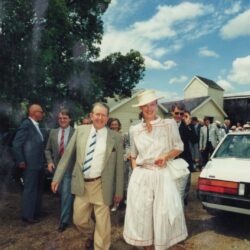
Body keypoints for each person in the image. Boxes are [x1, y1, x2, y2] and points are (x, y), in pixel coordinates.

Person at [51, 102, 124, 250]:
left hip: (102, 185)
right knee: (79, 220)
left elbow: (119, 167)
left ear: (107, 117)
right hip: (82, 184)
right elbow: (67, 156)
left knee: (103, 223)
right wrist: (57, 177)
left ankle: (100, 244)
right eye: (97, 114)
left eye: (103, 115)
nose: (100, 117)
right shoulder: (81, 131)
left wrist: (119, 191)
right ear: (91, 115)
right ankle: (93, 235)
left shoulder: (115, 137)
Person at [123, 90, 187, 250]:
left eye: (152, 104)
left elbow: (179, 147)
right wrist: (135, 176)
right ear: (140, 108)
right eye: (145, 105)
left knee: (162, 216)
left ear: (157, 105)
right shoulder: (134, 129)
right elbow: (133, 155)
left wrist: (165, 156)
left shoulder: (169, 124)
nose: (149, 108)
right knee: (142, 217)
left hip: (161, 176)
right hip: (142, 177)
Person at [12, 104, 45, 224]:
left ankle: (34, 213)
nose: (43, 114)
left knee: (36, 189)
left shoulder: (35, 125)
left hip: (37, 165)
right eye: (41, 112)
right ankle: (27, 216)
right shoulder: (27, 124)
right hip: (29, 165)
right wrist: (21, 161)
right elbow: (16, 144)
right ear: (34, 113)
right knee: (30, 189)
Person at [45, 108, 75, 232]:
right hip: (57, 170)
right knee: (62, 193)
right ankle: (70, 212)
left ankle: (63, 222)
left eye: (65, 118)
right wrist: (50, 162)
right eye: (60, 118)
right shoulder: (53, 132)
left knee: (66, 195)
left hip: (69, 169)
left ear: (70, 119)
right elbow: (47, 149)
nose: (62, 120)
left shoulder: (76, 133)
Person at [171, 104, 195, 206]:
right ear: (172, 112)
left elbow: (194, 140)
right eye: (177, 113)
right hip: (171, 160)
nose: (179, 116)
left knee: (185, 185)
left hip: (184, 160)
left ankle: (181, 203)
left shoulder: (187, 125)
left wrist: (188, 125)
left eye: (181, 114)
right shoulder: (167, 124)